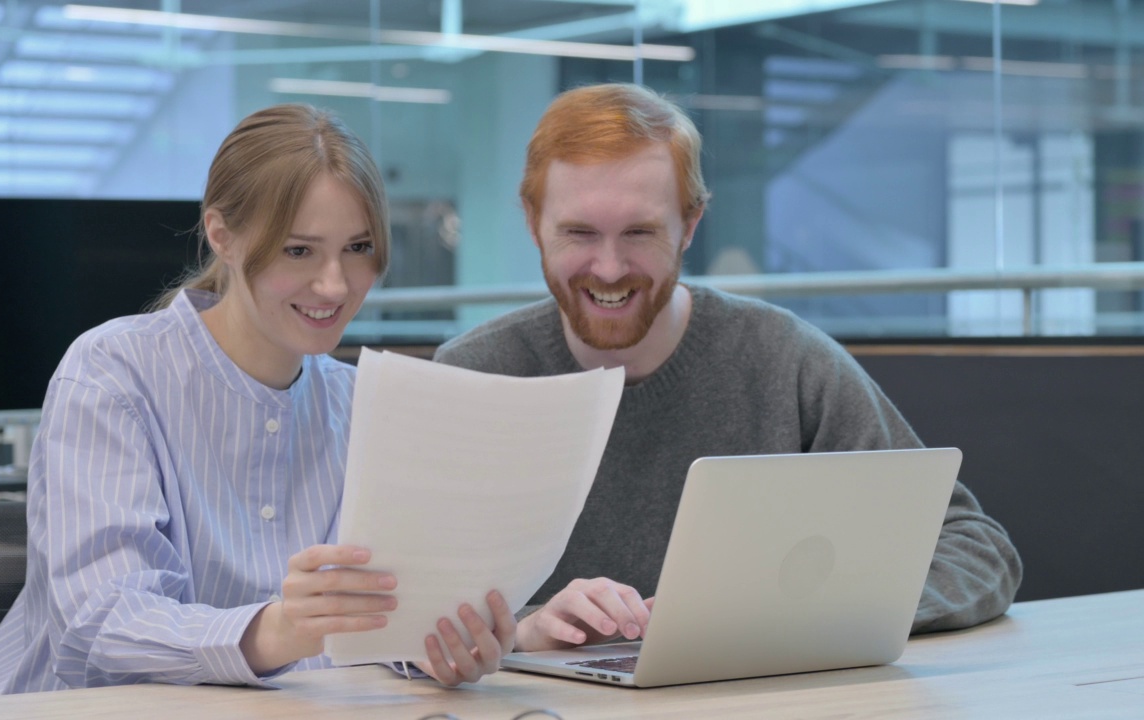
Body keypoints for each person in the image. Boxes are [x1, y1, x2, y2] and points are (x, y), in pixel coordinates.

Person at [433, 83, 1022, 653]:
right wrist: (525, 630)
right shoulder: (470, 377)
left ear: (690, 224)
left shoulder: (784, 361)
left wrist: (799, 618)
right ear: (533, 223)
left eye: (640, 232)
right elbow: (408, 605)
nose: (609, 268)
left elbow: (975, 549)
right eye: (579, 233)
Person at [0, 104, 514, 697]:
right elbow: (104, 624)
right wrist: (277, 630)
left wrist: (432, 647)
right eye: (299, 251)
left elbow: (374, 620)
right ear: (221, 235)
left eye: (358, 247)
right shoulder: (112, 376)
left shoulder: (360, 404)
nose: (336, 284)